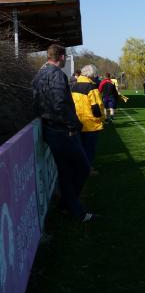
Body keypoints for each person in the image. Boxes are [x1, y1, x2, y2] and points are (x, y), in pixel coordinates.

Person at [32, 44, 96, 222]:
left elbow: (36, 102)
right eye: (65, 57)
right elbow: (59, 103)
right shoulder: (58, 75)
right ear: (60, 57)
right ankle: (74, 208)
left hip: (49, 128)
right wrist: (71, 125)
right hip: (62, 131)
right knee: (83, 168)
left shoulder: (38, 75)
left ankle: (68, 207)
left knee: (66, 171)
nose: (65, 59)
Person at [71, 64, 105, 173]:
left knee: (81, 148)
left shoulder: (74, 86)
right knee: (89, 148)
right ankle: (87, 169)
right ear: (92, 74)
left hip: (78, 121)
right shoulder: (91, 87)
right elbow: (97, 106)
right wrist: (101, 119)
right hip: (90, 124)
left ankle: (80, 168)